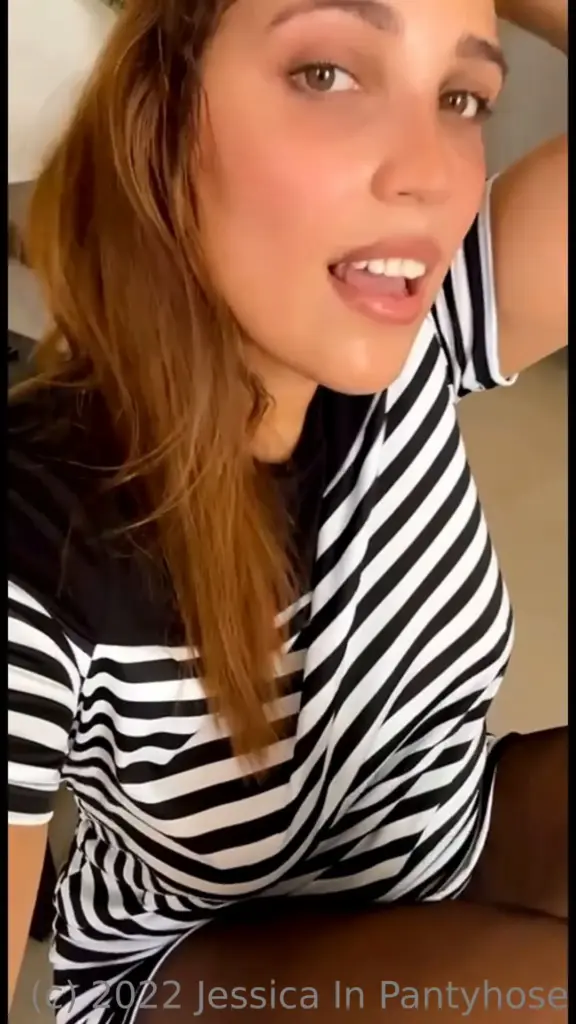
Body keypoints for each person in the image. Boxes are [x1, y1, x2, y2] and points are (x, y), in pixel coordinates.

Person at [8, 0, 566, 1022]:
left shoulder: (417, 329)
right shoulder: (36, 544)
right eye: (327, 75)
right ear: (161, 115)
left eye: (461, 97)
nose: (433, 174)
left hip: (446, 842)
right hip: (191, 974)